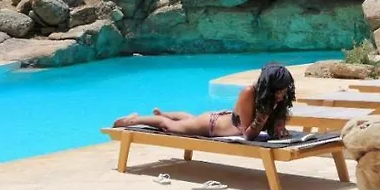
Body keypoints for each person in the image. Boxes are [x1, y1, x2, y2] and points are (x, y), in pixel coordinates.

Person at [112, 62, 297, 140]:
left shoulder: (275, 97)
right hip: (212, 125)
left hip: (223, 118)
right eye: (279, 91)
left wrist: (279, 127)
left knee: (190, 119)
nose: (282, 95)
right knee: (169, 126)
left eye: (284, 91)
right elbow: (248, 136)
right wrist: (264, 116)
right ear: (268, 87)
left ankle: (165, 113)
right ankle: (132, 120)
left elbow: (274, 126)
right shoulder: (249, 93)